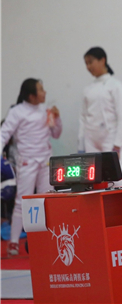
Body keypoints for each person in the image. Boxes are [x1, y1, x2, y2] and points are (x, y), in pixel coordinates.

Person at [1, 79, 62, 256]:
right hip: (27, 161)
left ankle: (45, 238)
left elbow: (56, 134)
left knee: (47, 200)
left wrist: (57, 119)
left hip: (45, 161)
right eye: (41, 90)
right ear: (31, 95)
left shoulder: (46, 111)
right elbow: (4, 133)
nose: (45, 93)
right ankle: (13, 242)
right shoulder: (17, 112)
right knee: (22, 201)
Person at [79, 47, 122, 185]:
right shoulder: (88, 89)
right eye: (86, 63)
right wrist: (81, 145)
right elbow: (83, 118)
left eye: (91, 62)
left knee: (118, 183)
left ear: (103, 60)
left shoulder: (116, 85)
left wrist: (117, 145)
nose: (88, 67)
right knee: (95, 183)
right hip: (91, 141)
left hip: (111, 140)